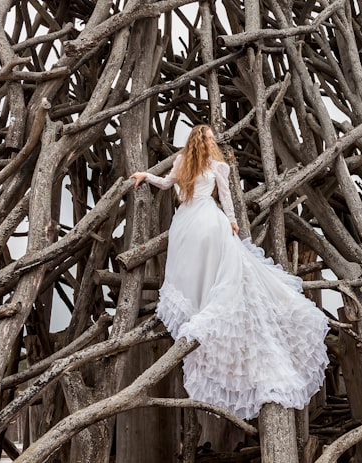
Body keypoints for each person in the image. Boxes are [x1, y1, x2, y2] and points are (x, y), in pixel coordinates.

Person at [130, 124, 329, 419]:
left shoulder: (182, 162)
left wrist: (145, 176)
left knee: (193, 269)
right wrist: (233, 222)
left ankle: (200, 306)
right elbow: (225, 198)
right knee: (221, 268)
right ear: (205, 142)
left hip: (186, 223)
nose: (214, 142)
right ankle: (211, 303)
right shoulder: (217, 166)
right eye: (211, 139)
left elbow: (165, 184)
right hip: (209, 221)